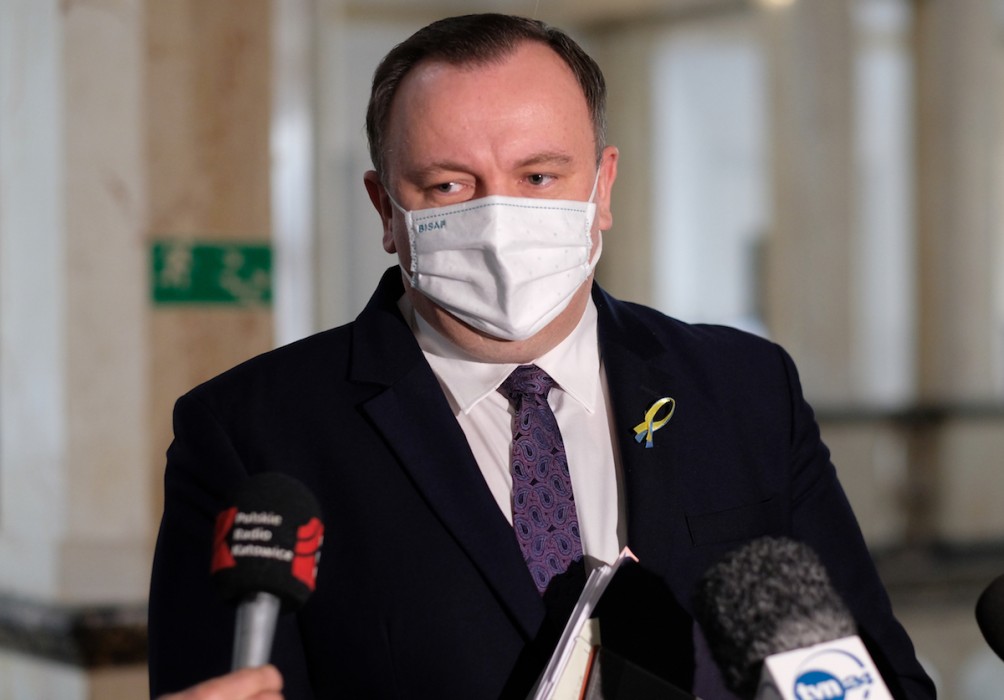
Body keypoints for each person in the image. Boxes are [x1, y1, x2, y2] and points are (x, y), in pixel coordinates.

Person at [149, 13, 936, 699]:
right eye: (449, 186)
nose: (500, 221)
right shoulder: (251, 433)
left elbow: (881, 675)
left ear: (602, 186)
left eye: (538, 176)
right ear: (385, 208)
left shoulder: (746, 391)